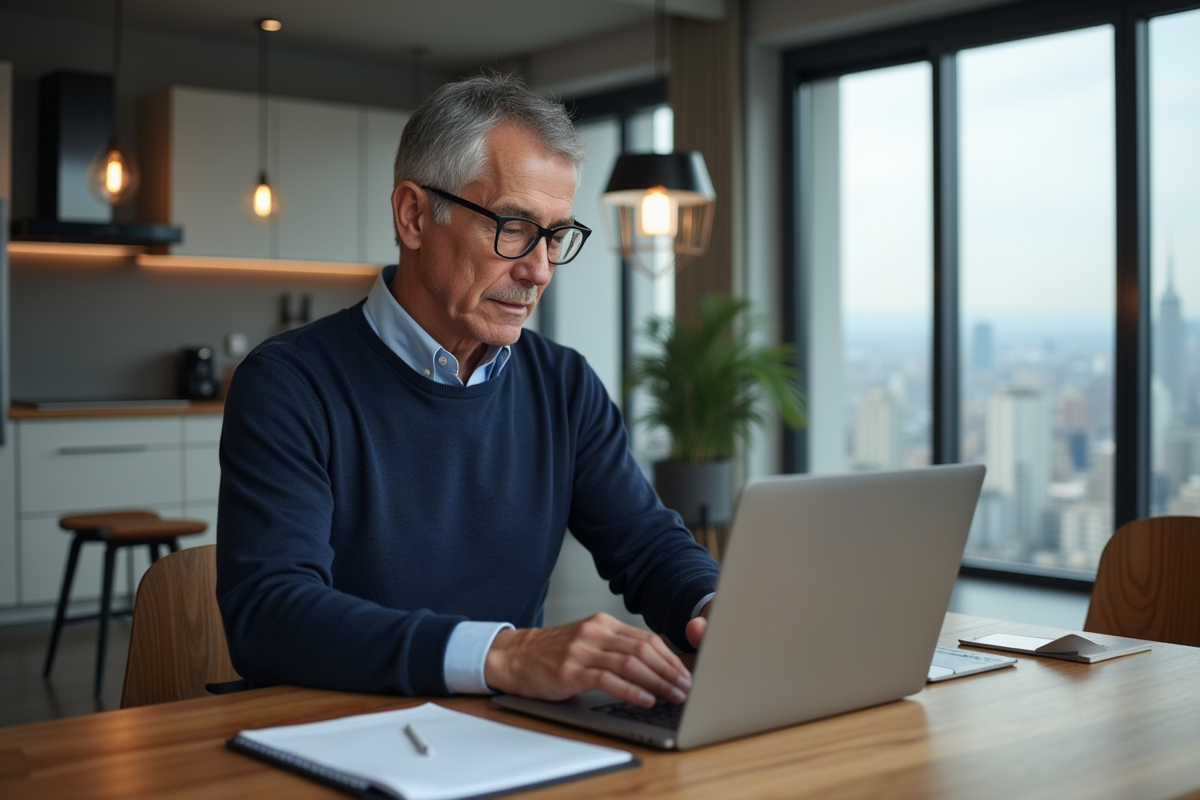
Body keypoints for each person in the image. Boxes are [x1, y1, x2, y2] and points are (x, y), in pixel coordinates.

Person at [216, 73, 719, 710]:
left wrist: (713, 606)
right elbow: (269, 615)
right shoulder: (289, 384)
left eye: (556, 235)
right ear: (414, 216)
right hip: (337, 728)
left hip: (506, 735)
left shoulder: (563, 385)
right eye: (513, 226)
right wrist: (504, 654)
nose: (538, 270)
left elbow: (648, 546)